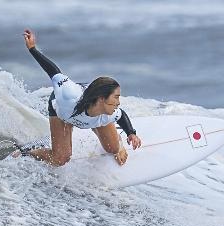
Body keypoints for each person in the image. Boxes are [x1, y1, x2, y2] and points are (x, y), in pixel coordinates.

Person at [22, 29, 141, 166]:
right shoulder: (68, 96)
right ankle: (27, 152)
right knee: (60, 159)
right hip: (62, 113)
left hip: (92, 111)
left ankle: (115, 139)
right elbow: (54, 72)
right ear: (102, 98)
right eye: (115, 97)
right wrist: (32, 49)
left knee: (113, 149)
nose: (118, 103)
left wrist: (131, 133)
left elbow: (121, 115)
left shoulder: (108, 113)